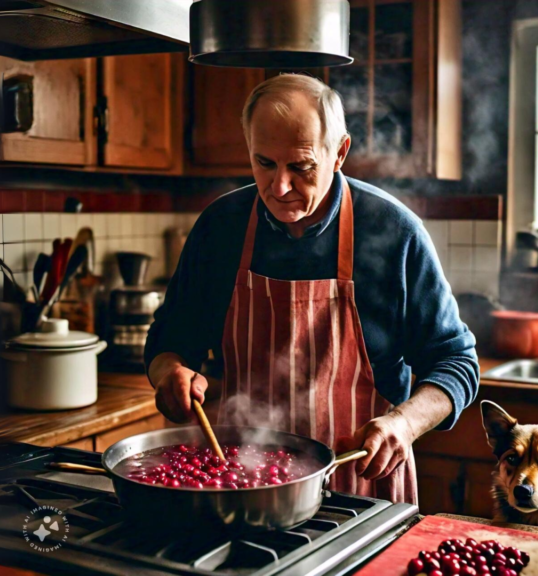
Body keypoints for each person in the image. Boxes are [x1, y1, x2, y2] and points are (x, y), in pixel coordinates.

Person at [144, 74, 479, 504]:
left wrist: (404, 425)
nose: (279, 187)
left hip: (360, 484)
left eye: (300, 167)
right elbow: (168, 342)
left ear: (339, 152)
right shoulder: (220, 227)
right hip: (241, 484)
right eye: (264, 163)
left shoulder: (394, 232)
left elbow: (456, 361)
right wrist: (169, 374)